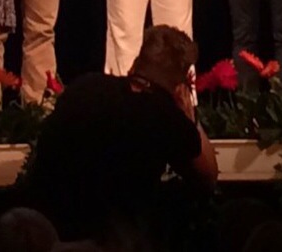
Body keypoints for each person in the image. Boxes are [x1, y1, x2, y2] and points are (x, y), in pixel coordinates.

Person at [20, 24, 217, 243]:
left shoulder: (84, 86)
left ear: (135, 64)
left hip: (46, 230)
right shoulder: (165, 116)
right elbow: (208, 177)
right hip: (110, 240)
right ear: (180, 86)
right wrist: (190, 117)